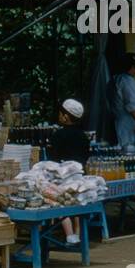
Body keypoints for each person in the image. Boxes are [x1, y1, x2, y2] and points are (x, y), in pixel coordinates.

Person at [51, 99, 90, 246]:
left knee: (62, 204)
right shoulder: (83, 136)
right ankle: (78, 234)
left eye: (61, 114)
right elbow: (86, 156)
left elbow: (53, 158)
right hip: (80, 176)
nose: (59, 116)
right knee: (77, 204)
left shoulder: (58, 135)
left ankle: (69, 235)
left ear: (66, 117)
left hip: (63, 176)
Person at [110, 52, 135, 151]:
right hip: (128, 123)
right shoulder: (127, 81)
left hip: (119, 120)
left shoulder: (114, 79)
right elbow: (130, 104)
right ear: (132, 67)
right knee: (130, 152)